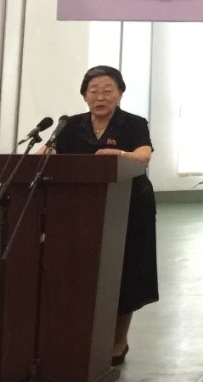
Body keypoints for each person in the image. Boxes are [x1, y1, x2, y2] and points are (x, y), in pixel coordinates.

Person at [50, 65, 156, 366]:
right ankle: (81, 338)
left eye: (108, 90)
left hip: (129, 207)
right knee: (81, 273)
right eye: (93, 91)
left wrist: (119, 154)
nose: (100, 97)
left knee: (125, 273)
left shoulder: (133, 123)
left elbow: (143, 156)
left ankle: (118, 341)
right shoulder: (70, 125)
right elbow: (50, 153)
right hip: (79, 213)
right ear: (84, 96)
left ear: (120, 94)